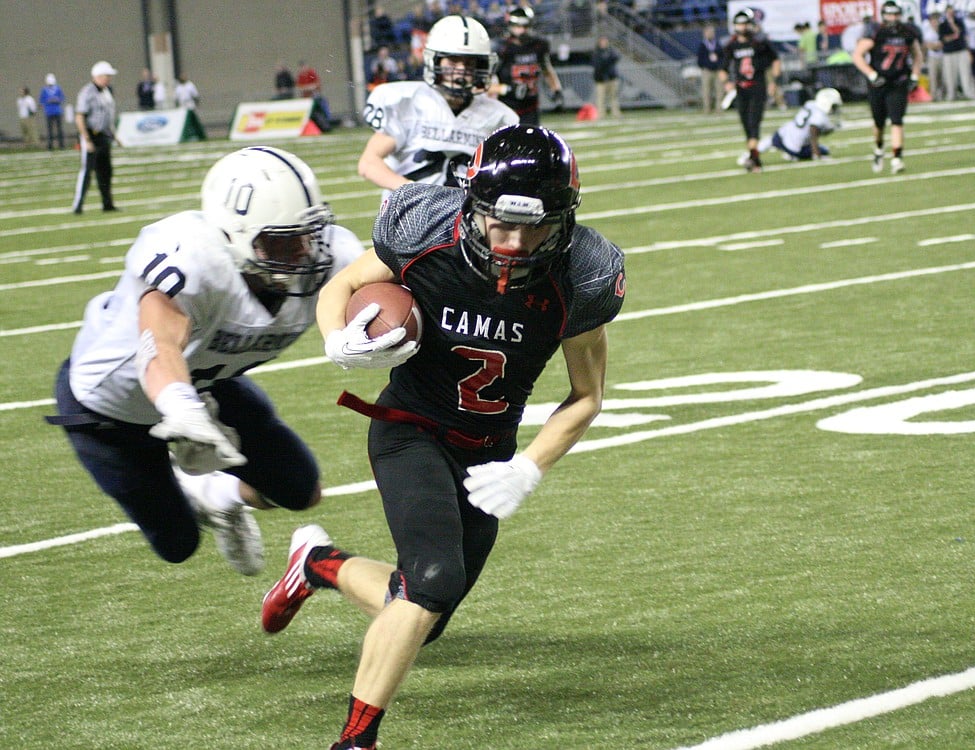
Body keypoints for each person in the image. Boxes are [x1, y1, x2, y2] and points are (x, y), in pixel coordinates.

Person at [260, 124, 626, 750]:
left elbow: (586, 396)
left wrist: (529, 467)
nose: (512, 244)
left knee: (421, 617)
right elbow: (341, 286)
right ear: (472, 206)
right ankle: (355, 741)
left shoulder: (582, 276)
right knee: (429, 584)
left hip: (489, 456)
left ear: (563, 219)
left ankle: (318, 564)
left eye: (532, 228)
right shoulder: (427, 230)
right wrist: (335, 338)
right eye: (500, 225)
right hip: (411, 432)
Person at [47, 146, 365, 576]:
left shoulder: (333, 261)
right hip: (107, 410)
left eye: (307, 236)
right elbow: (158, 341)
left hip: (205, 385)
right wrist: (179, 405)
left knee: (300, 489)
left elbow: (395, 293)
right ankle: (194, 491)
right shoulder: (196, 257)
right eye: (280, 241)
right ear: (233, 235)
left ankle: (221, 496)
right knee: (178, 542)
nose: (302, 254)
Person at [357, 14, 518, 200]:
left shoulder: (499, 116)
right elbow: (368, 163)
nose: (461, 70)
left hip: (463, 221)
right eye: (453, 61)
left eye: (469, 63)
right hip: (409, 219)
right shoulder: (409, 102)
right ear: (435, 61)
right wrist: (414, 193)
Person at [852, 1, 924, 175]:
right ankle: (878, 148)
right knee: (878, 123)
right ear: (883, 15)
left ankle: (897, 159)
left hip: (898, 82)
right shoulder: (876, 31)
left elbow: (917, 55)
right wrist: (871, 74)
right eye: (889, 14)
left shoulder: (908, 32)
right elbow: (857, 55)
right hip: (878, 83)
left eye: (895, 14)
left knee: (897, 119)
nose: (892, 18)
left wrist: (915, 75)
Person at [720, 10, 781, 173]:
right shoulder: (731, 45)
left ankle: (754, 160)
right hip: (741, 89)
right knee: (747, 126)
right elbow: (722, 69)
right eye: (739, 24)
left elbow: (775, 61)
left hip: (757, 86)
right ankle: (755, 159)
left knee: (754, 124)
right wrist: (727, 83)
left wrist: (774, 81)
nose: (742, 27)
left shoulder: (759, 43)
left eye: (745, 24)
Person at [491, 6, 564, 125]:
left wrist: (556, 90)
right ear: (510, 26)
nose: (522, 30)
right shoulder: (502, 48)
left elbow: (546, 69)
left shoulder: (539, 45)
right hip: (508, 108)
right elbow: (484, 85)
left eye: (525, 26)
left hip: (531, 108)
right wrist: (508, 89)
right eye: (518, 26)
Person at [72, 61, 119, 215]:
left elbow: (107, 116)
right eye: (107, 76)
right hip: (90, 134)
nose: (109, 79)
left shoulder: (106, 92)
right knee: (87, 171)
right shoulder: (87, 92)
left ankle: (108, 204)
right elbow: (80, 117)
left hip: (103, 135)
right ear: (97, 76)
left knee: (106, 171)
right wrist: (86, 139)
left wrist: (114, 135)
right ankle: (78, 206)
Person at [763, 87, 842, 162]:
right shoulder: (820, 116)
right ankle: (793, 155)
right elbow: (813, 133)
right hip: (795, 148)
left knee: (772, 139)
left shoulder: (810, 104)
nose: (834, 109)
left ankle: (754, 151)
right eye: (833, 106)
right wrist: (816, 154)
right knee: (824, 150)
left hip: (782, 135)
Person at [940, 3, 975, 100]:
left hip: (961, 50)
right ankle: (951, 95)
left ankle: (969, 93)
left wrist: (952, 25)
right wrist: (953, 36)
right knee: (949, 76)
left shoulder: (959, 21)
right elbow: (944, 39)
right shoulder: (943, 24)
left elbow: (961, 34)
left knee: (965, 74)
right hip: (948, 52)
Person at [592, 34, 622, 118]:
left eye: (605, 41)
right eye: (602, 41)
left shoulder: (610, 51)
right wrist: (607, 60)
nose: (603, 43)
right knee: (601, 98)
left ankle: (616, 113)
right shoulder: (597, 52)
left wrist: (607, 60)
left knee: (614, 97)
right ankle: (601, 114)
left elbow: (616, 57)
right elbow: (598, 64)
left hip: (612, 77)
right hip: (600, 79)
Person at [697, 24, 724, 112]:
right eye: (708, 32)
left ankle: (719, 108)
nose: (710, 34)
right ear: (704, 33)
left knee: (719, 90)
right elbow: (700, 58)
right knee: (706, 91)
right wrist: (705, 66)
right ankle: (707, 108)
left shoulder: (717, 44)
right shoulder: (703, 45)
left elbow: (722, 56)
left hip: (717, 70)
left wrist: (720, 66)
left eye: (711, 32)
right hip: (707, 71)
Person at [923, 6, 946, 101]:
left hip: (943, 56)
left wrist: (935, 45)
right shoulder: (927, 30)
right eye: (933, 19)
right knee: (933, 77)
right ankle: (933, 96)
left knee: (943, 77)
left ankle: (942, 95)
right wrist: (934, 46)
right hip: (932, 56)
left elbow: (944, 42)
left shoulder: (943, 29)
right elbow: (925, 44)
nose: (935, 21)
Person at [39, 73, 65, 150]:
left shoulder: (58, 88)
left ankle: (61, 145)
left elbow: (62, 98)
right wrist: (48, 101)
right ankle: (50, 145)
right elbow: (41, 101)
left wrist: (57, 100)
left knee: (59, 129)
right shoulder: (44, 90)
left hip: (57, 111)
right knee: (50, 130)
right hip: (49, 112)